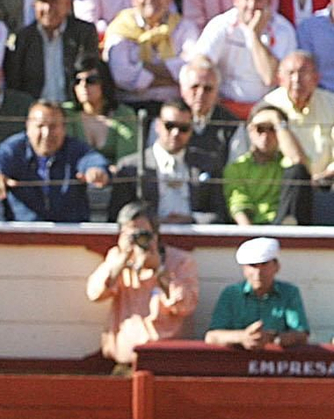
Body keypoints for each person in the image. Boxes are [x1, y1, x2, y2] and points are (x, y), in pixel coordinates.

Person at [86, 201, 198, 364]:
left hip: (168, 360)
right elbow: (94, 294)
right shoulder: (116, 258)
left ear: (155, 234)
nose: (138, 240)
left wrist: (159, 271)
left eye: (143, 234)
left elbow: (186, 306)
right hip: (125, 361)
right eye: (131, 235)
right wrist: (122, 261)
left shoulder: (180, 261)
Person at [0, 99, 110, 221]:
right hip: (23, 228)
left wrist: (96, 171)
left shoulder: (74, 148)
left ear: (64, 128)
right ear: (28, 127)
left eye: (53, 126)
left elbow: (92, 159)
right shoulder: (15, 147)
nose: (46, 134)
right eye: (40, 126)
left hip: (69, 228)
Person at [192, 0, 297, 117]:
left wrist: (254, 35)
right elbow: (200, 63)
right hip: (223, 106)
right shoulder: (221, 24)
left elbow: (270, 78)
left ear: (269, 1)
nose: (252, 5)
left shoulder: (283, 30)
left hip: (266, 109)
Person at [108, 99, 225, 223]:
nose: (175, 133)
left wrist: (192, 219)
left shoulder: (208, 163)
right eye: (169, 126)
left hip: (196, 233)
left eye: (183, 128)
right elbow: (118, 216)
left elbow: (220, 215)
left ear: (191, 130)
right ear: (157, 126)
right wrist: (153, 222)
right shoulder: (130, 167)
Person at [104, 0, 198, 107]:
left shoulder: (185, 27)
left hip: (176, 107)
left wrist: (143, 67)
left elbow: (193, 68)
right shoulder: (121, 27)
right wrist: (174, 78)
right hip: (131, 106)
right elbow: (121, 77)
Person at [204, 236, 311, 349]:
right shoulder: (231, 294)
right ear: (244, 269)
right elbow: (212, 336)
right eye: (252, 266)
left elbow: (301, 335)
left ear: (277, 266)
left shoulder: (289, 292)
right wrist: (243, 337)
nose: (258, 272)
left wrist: (272, 337)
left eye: (264, 264)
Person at [6, 0, 96, 101]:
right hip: (36, 107)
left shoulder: (83, 33)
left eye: (55, 1)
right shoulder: (24, 38)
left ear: (67, 3)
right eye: (43, 2)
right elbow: (15, 81)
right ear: (34, 6)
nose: (48, 9)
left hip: (73, 106)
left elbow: (90, 71)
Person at [223, 105, 314, 225]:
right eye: (260, 129)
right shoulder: (237, 167)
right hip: (254, 228)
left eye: (272, 129)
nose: (265, 135)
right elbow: (238, 206)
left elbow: (298, 161)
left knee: (298, 171)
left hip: (287, 226)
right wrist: (250, 235)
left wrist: (278, 121)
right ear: (250, 130)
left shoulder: (286, 162)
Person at [259, 50, 334, 189]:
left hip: (327, 185)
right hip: (282, 188)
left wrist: (323, 178)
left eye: (303, 72)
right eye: (290, 73)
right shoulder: (267, 106)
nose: (296, 79)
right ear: (280, 78)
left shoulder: (331, 104)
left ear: (316, 78)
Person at [65, 53, 139, 166]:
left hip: (115, 175)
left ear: (105, 83)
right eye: (77, 81)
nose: (83, 86)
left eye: (91, 80)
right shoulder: (66, 113)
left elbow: (127, 159)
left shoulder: (124, 114)